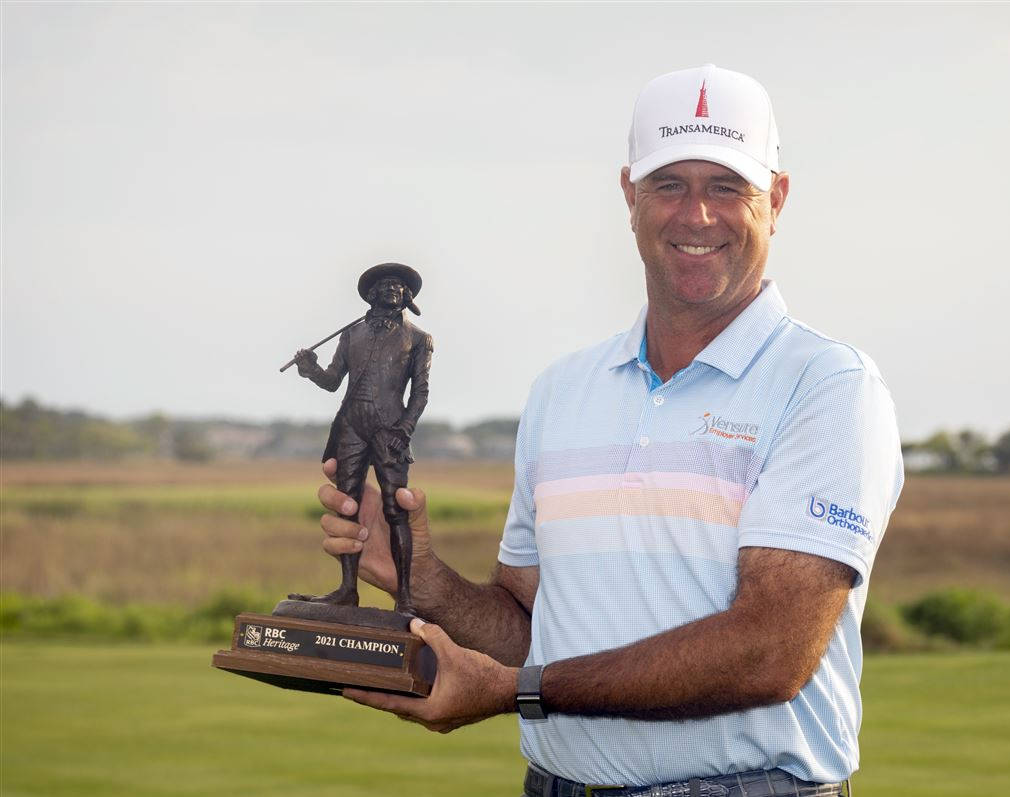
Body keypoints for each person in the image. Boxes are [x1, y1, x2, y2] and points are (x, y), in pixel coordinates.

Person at [312, 65, 903, 797]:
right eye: (669, 185)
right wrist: (423, 579)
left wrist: (515, 692)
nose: (697, 215)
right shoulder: (564, 391)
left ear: (776, 200)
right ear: (630, 196)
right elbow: (532, 632)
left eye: (727, 186)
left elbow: (770, 651)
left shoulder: (829, 386)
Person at [292, 263, 432, 614]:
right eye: (385, 285)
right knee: (348, 508)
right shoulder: (351, 335)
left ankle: (405, 598)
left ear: (407, 297)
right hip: (351, 426)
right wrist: (310, 369)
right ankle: (346, 590)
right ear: (372, 294)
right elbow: (332, 380)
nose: (392, 289)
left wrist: (404, 430)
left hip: (390, 431)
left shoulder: (418, 339)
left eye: (399, 286)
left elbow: (421, 393)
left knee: (395, 511)